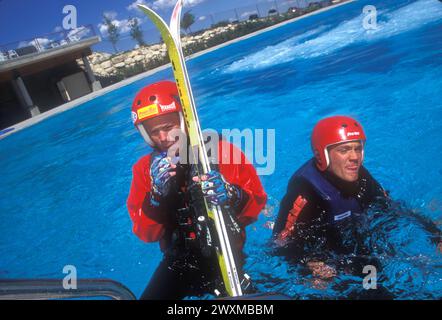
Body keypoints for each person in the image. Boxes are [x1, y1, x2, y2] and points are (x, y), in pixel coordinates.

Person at [126, 81, 267, 300]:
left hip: (226, 254)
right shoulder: (144, 170)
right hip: (179, 260)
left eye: (169, 127)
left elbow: (255, 206)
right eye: (154, 132)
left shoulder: (220, 151)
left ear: (183, 122)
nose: (163, 138)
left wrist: (231, 194)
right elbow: (147, 234)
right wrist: (155, 197)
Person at [272, 116, 441, 286]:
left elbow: (392, 208)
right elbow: (280, 243)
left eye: (358, 149)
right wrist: (308, 264)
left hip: (354, 236)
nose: (355, 157)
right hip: (322, 250)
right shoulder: (306, 192)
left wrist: (435, 234)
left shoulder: (362, 177)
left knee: (388, 282)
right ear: (322, 155)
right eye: (344, 150)